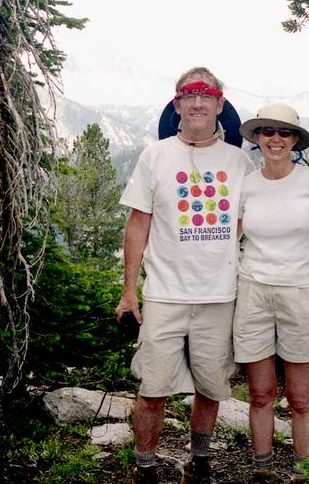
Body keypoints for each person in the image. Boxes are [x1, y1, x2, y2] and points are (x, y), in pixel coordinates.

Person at [116, 67, 254, 484]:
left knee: (211, 387)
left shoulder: (238, 161)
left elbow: (254, 219)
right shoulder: (155, 156)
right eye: (188, 96)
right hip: (164, 293)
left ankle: (199, 462)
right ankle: (145, 468)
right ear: (177, 104)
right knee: (153, 387)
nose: (197, 103)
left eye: (205, 96)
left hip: (219, 293)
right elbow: (138, 224)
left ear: (219, 103)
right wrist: (129, 292)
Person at [234, 103, 309, 484]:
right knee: (260, 393)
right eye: (267, 131)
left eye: (284, 133)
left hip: (302, 295)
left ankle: (305, 473)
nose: (275, 139)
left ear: (295, 140)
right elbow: (229, 239)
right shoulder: (246, 185)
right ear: (256, 138)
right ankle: (262, 470)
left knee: (301, 398)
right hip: (253, 292)